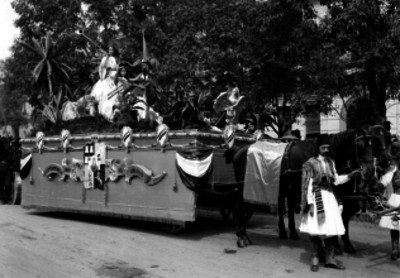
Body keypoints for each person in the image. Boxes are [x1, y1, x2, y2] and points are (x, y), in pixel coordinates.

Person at [300, 135, 360, 272]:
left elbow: (336, 180)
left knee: (330, 231)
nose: (326, 150)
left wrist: (350, 176)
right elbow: (307, 185)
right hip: (316, 198)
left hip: (329, 198)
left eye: (328, 147)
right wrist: (310, 204)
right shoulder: (310, 163)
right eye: (323, 147)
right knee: (315, 230)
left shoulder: (331, 163)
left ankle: (330, 259)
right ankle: (315, 258)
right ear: (318, 148)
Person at [377, 138, 400, 260]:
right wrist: (381, 184)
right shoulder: (394, 168)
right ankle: (395, 249)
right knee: (395, 225)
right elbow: (387, 177)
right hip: (397, 198)